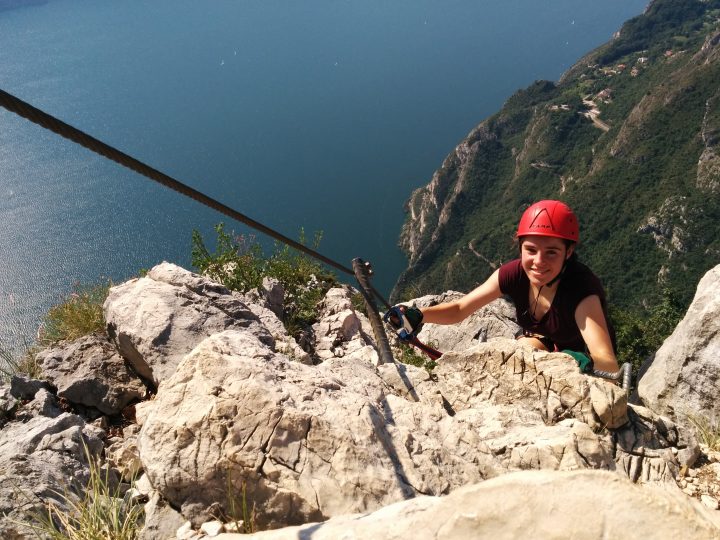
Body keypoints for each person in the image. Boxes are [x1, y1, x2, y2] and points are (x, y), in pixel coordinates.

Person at [390, 200, 619, 373]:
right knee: (521, 356)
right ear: (520, 248)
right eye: (531, 250)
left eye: (551, 252)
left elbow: (605, 359)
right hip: (541, 341)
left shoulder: (580, 290)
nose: (539, 261)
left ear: (568, 252)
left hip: (580, 359)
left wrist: (583, 368)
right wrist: (418, 315)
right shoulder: (514, 274)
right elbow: (461, 308)